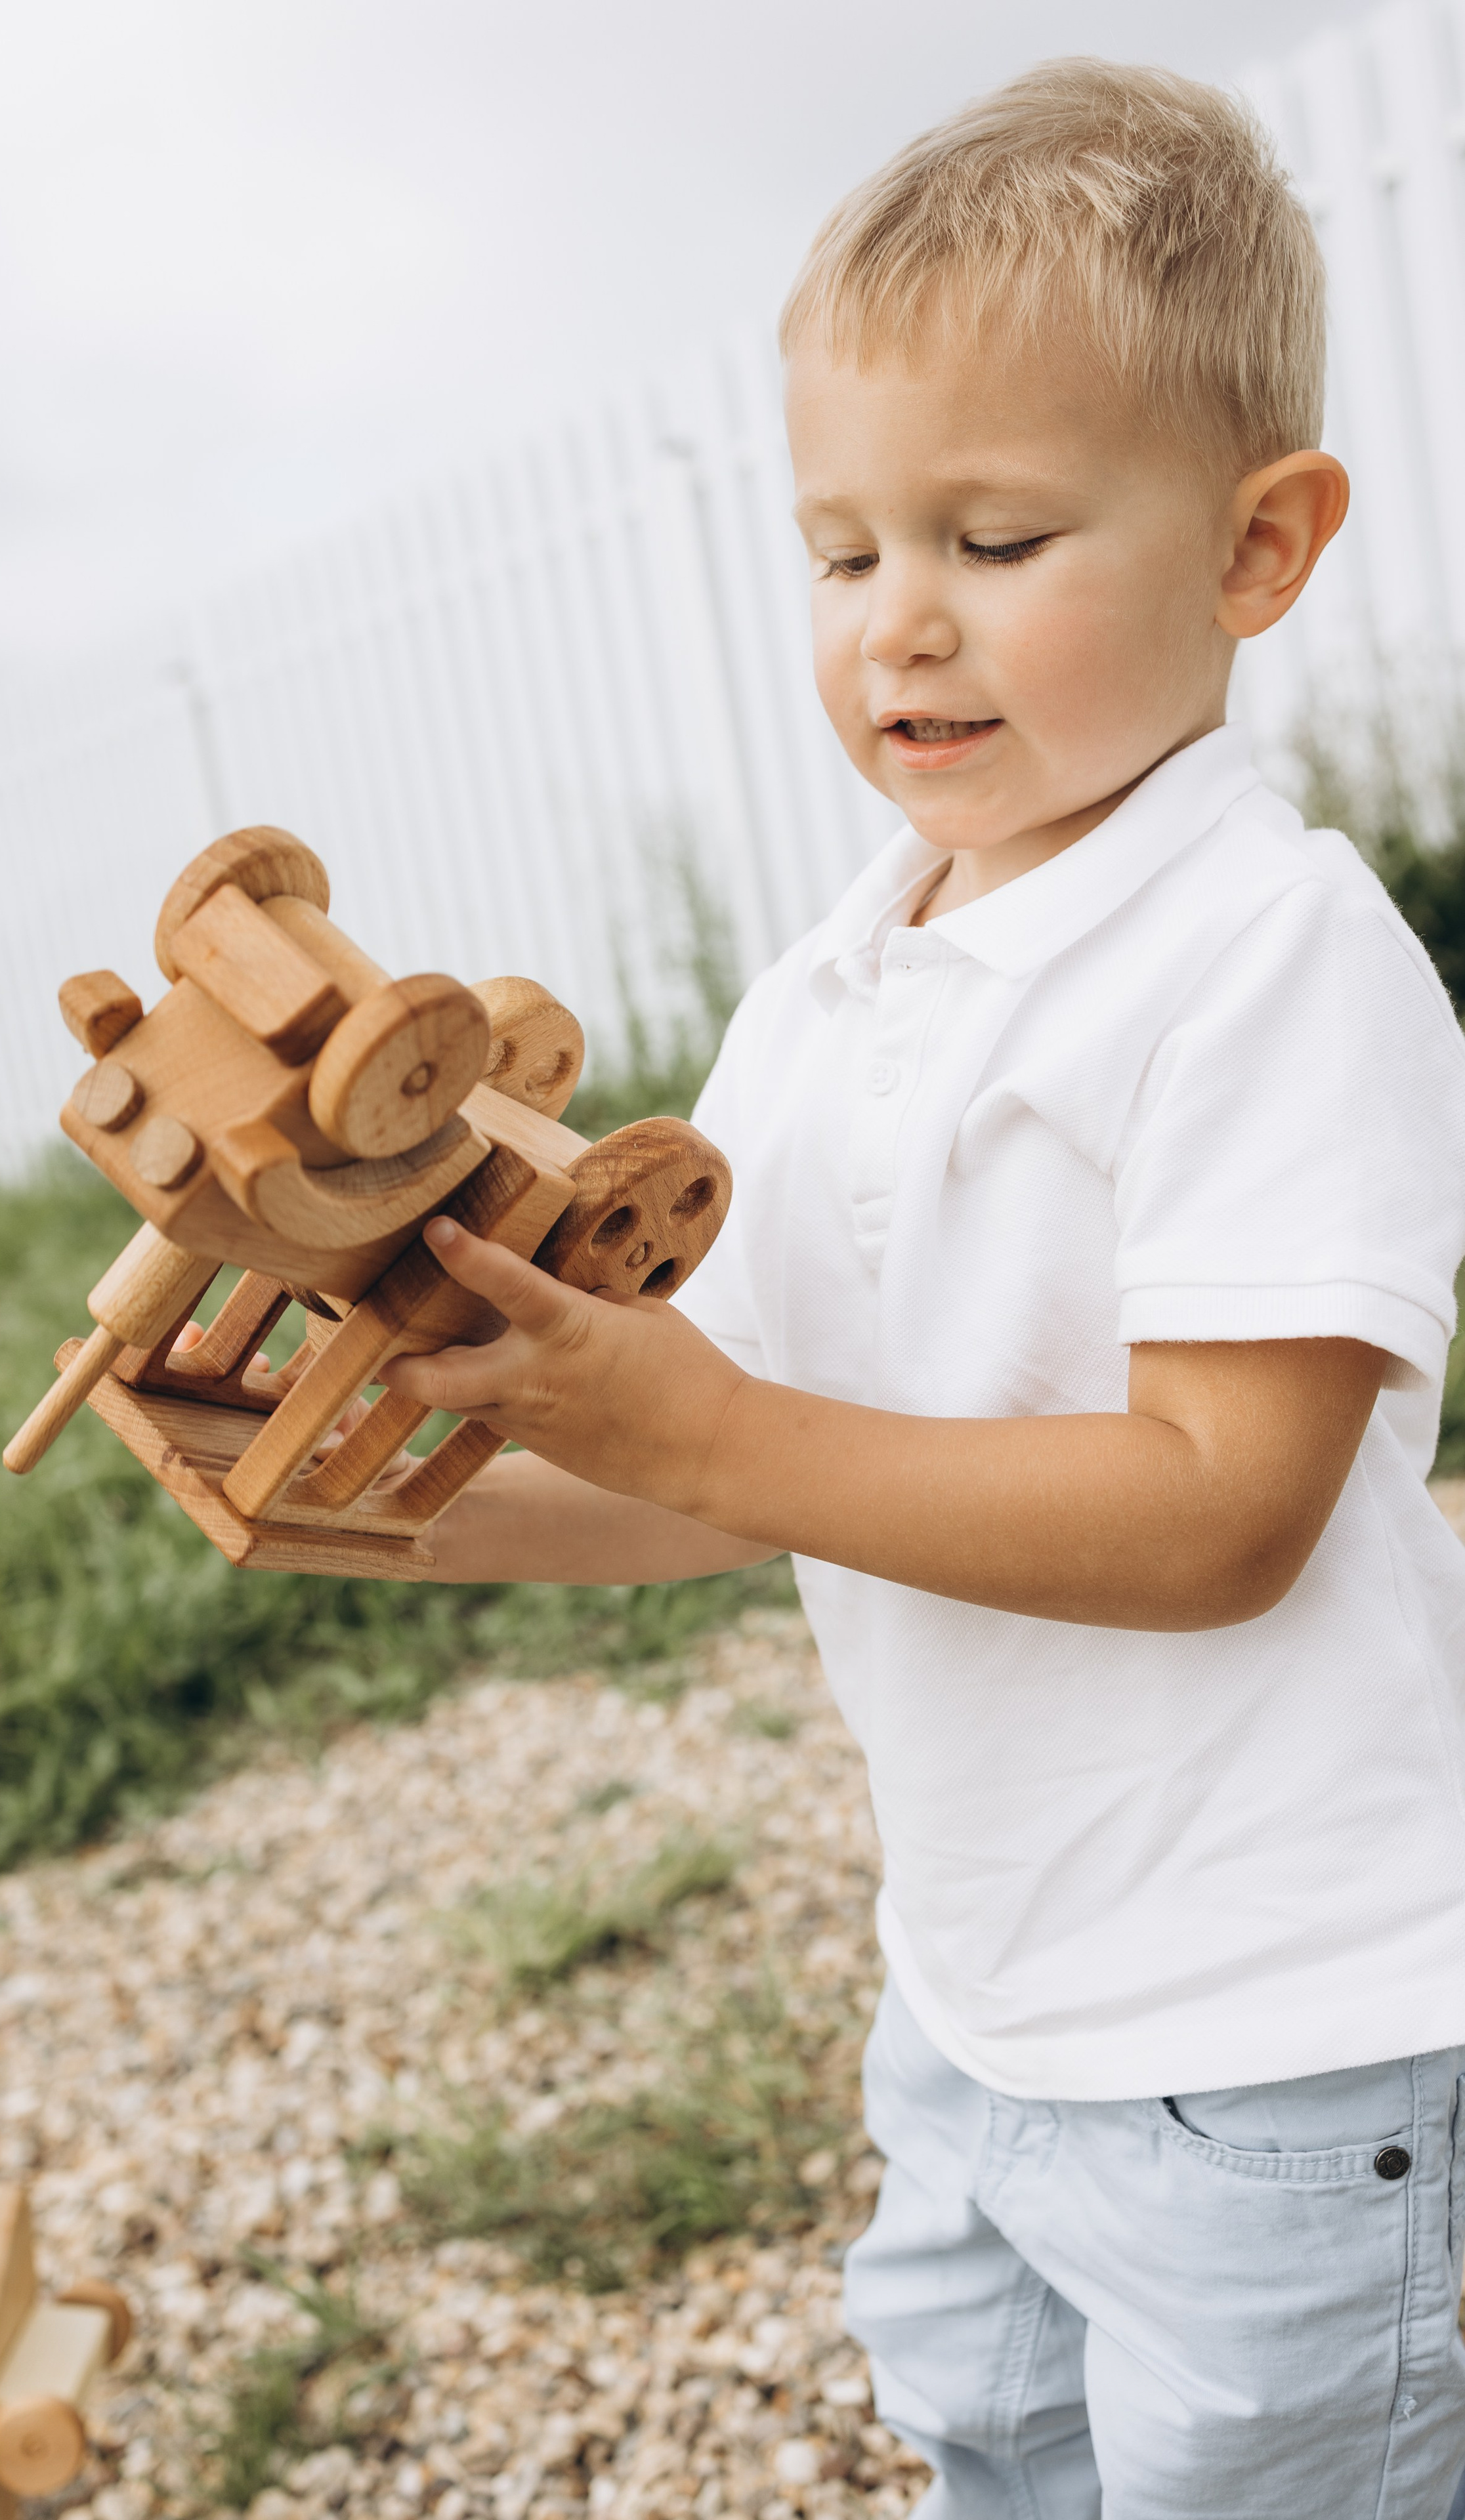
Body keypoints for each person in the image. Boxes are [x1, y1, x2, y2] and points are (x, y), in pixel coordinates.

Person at [378, 60, 1465, 2518]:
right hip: (981, 2002)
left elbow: (1222, 1514)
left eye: (992, 533)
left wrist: (709, 1433)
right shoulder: (827, 991)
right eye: (842, 551)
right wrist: (394, 1495)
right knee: (992, 2449)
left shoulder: (1268, 951)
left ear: (1260, 547)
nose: (902, 625)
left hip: (1272, 2038)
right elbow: (743, 1467)